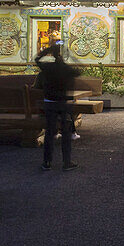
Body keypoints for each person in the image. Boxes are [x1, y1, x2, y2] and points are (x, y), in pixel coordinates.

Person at [34, 43, 81, 171]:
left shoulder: (47, 68)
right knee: (66, 133)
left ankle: (47, 162)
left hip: (49, 102)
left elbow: (37, 59)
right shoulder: (66, 69)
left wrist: (47, 51)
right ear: (61, 57)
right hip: (63, 103)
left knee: (49, 132)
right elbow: (79, 70)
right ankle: (67, 162)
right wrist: (71, 55)